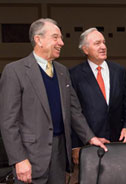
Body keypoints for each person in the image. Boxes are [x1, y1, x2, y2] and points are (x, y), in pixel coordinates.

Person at [0, 18, 107, 184]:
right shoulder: (15, 71)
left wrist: (91, 138)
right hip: (29, 157)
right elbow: (8, 122)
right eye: (56, 37)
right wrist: (19, 159)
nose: (61, 43)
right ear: (38, 39)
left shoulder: (62, 71)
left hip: (59, 156)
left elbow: (74, 111)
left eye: (61, 38)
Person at [70, 28, 126, 164]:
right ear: (85, 50)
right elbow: (73, 113)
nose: (103, 47)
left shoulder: (119, 71)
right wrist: (75, 146)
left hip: (117, 142)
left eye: (104, 43)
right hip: (88, 144)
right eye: (97, 43)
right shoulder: (74, 75)